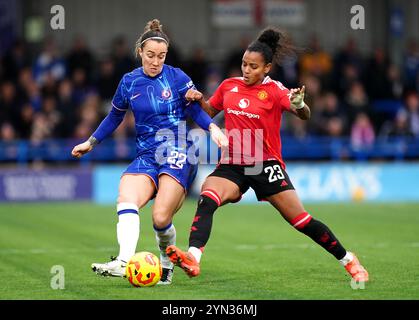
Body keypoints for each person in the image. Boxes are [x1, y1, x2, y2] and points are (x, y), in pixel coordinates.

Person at [166, 27, 369, 283]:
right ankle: (193, 257)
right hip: (233, 163)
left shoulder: (275, 90)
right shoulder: (230, 86)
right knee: (208, 198)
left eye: (253, 66)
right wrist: (197, 99)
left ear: (267, 68)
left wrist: (300, 105)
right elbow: (208, 109)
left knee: (301, 221)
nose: (246, 70)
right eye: (244, 64)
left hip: (265, 164)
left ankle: (349, 260)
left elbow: (303, 113)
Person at [71, 19, 228, 285]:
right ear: (140, 52)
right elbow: (114, 116)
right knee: (126, 198)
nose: (156, 61)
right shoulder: (129, 82)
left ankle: (166, 265)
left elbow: (194, 110)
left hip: (178, 150)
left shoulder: (177, 77)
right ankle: (123, 261)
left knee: (160, 218)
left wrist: (213, 128)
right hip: (146, 155)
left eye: (161, 56)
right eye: (151, 55)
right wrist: (91, 142)